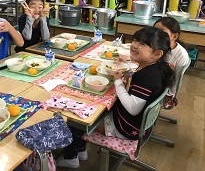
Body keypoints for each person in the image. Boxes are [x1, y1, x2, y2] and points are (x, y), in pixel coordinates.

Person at [58, 27, 175, 169]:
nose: (135, 45)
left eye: (143, 44)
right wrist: (128, 73)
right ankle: (80, 151)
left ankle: (71, 157)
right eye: (136, 40)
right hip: (137, 125)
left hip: (124, 127)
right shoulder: (153, 68)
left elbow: (133, 108)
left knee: (75, 117)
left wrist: (118, 81)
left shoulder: (148, 78)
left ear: (157, 54)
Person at [154, 17, 190, 109]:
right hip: (153, 80)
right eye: (154, 30)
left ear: (174, 36)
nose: (156, 34)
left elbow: (176, 80)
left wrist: (169, 95)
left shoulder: (181, 55)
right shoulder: (155, 44)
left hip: (163, 90)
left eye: (161, 32)